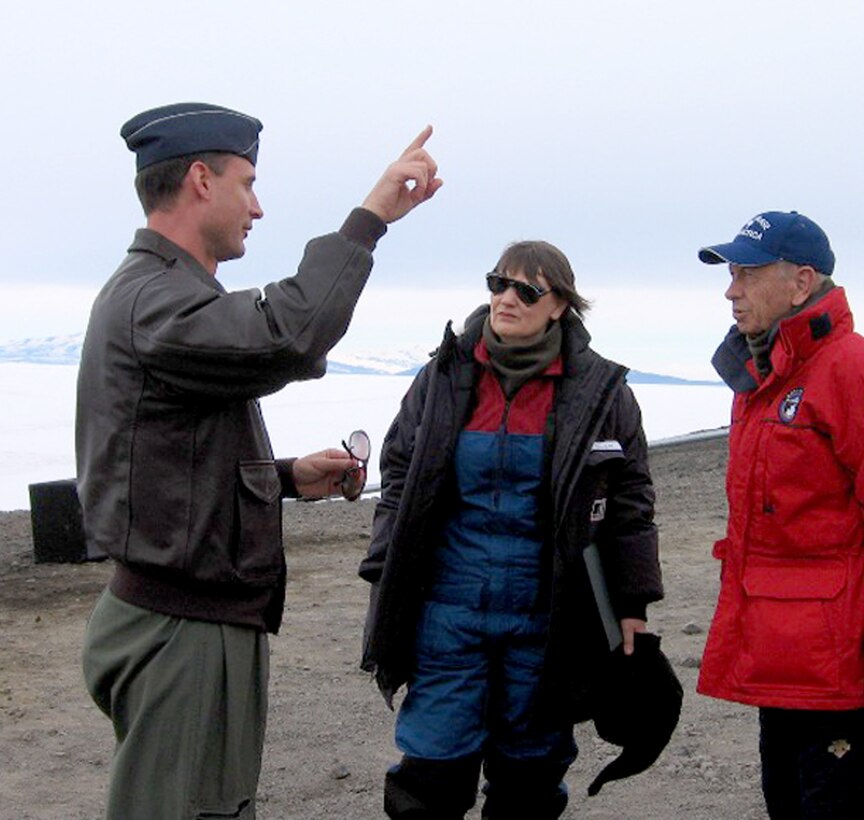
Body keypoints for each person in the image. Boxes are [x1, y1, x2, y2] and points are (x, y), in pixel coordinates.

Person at [77, 102, 441, 819]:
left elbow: (157, 458)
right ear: (200, 181)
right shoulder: (154, 301)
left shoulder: (163, 296)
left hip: (188, 621)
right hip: (178, 631)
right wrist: (370, 218)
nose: (259, 207)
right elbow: (291, 331)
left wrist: (281, 479)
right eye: (247, 183)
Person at [358, 240, 663, 819]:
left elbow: (630, 501)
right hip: (447, 610)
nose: (506, 298)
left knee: (531, 771)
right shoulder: (445, 376)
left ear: (560, 307)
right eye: (498, 283)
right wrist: (383, 565)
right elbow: (398, 470)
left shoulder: (600, 393)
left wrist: (633, 600)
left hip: (546, 616)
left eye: (526, 290)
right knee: (430, 770)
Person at [695, 211, 864, 818]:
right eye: (731, 273)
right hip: (785, 666)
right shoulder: (763, 378)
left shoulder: (860, 374)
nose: (731, 290)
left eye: (747, 273)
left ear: (802, 281)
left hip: (841, 672)